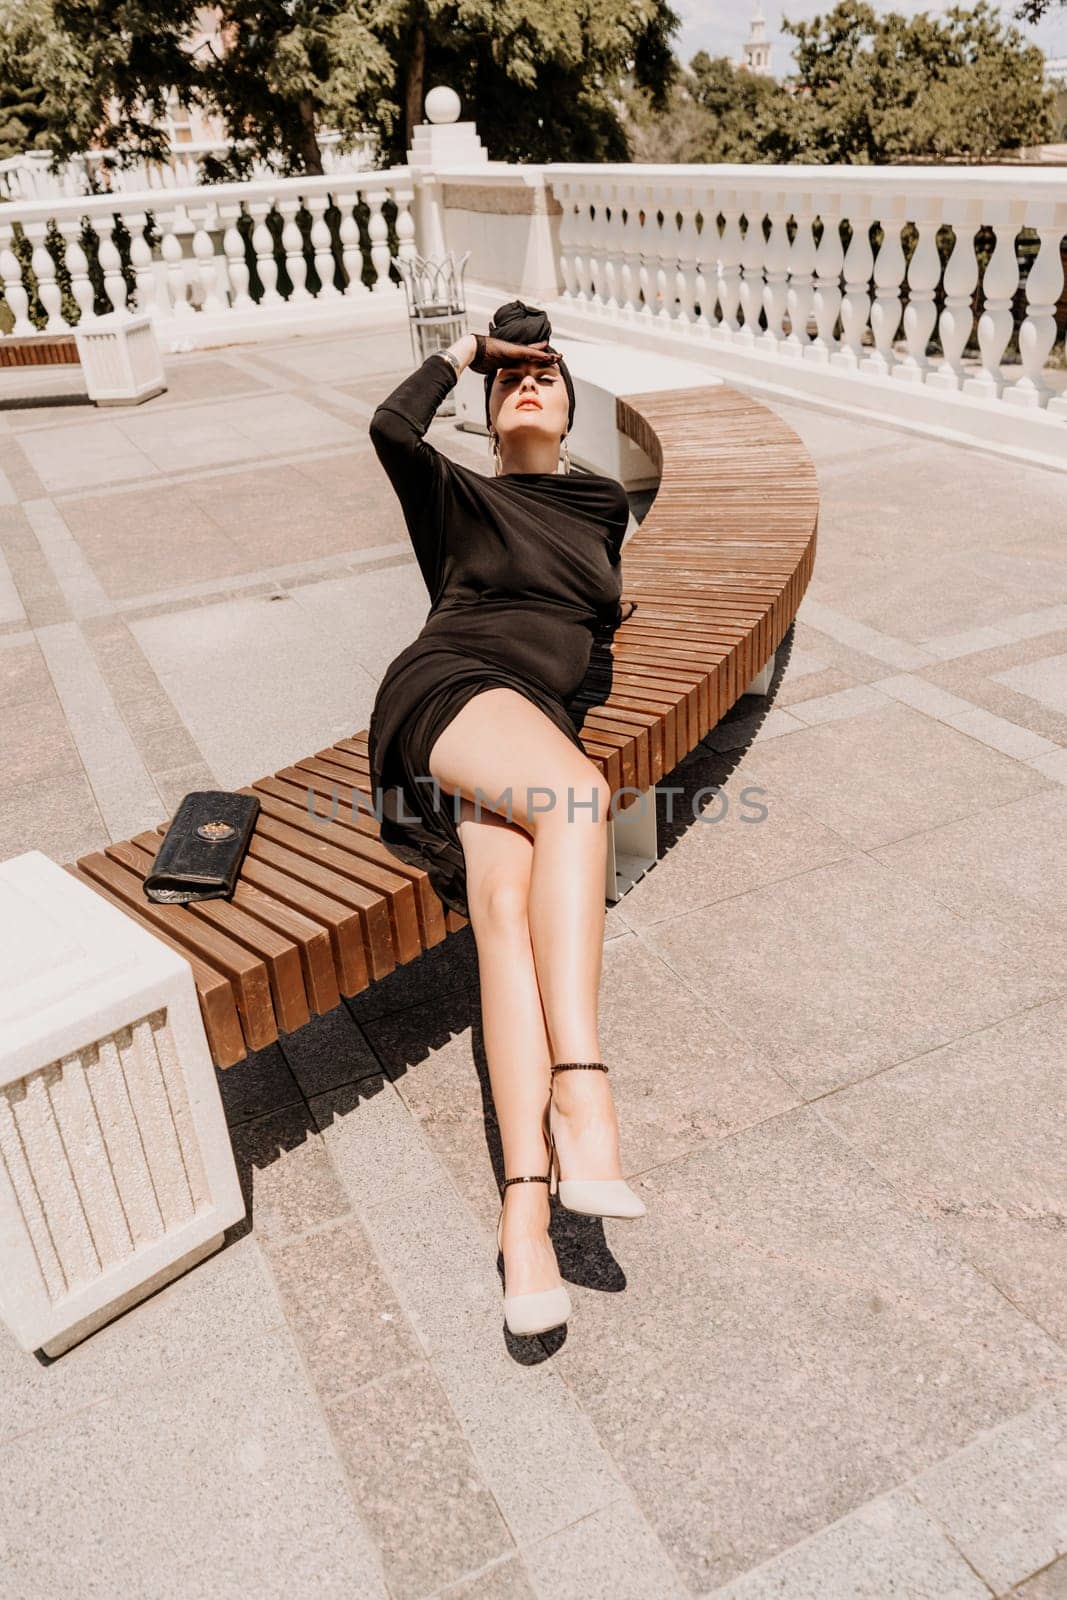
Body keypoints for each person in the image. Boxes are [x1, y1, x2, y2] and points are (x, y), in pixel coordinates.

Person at [367, 299, 646, 1339]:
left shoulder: (602, 501)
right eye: (507, 379)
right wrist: (467, 349)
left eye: (544, 374)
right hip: (450, 692)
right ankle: (585, 1094)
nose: (526, 384)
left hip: (528, 723)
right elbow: (391, 428)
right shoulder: (455, 493)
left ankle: (523, 1224)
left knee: (502, 909)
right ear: (484, 408)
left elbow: (589, 618)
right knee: (579, 801)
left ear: (570, 405)